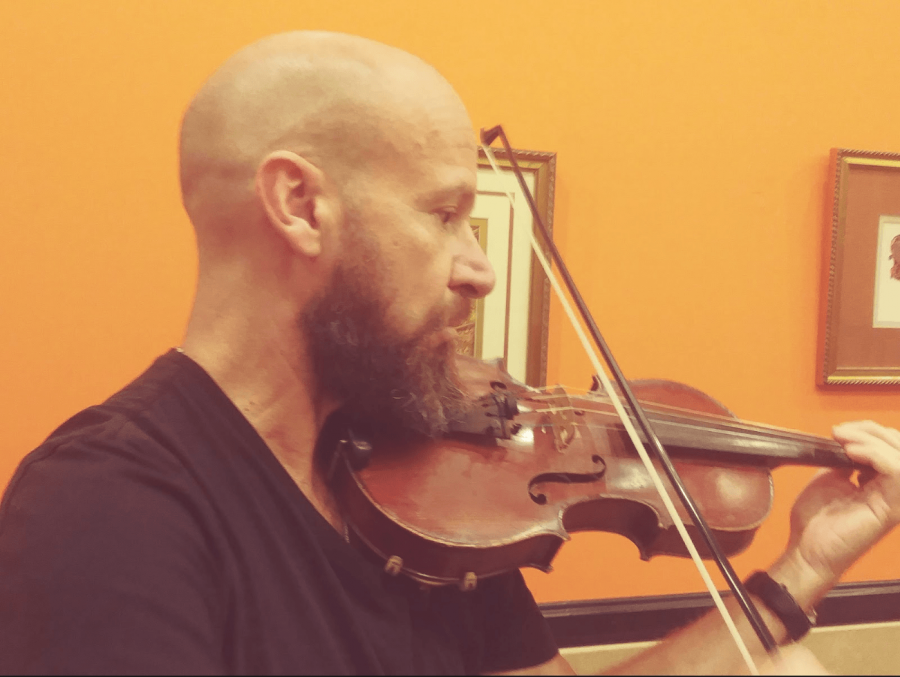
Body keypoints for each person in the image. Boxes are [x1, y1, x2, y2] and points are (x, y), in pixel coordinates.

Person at [0, 31, 898, 675]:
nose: (480, 269)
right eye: (442, 215)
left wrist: (803, 569)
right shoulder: (106, 507)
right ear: (300, 206)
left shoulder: (426, 481)